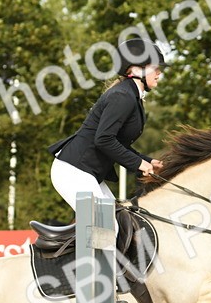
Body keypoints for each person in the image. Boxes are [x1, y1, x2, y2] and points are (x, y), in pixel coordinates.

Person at [46, 38, 166, 213]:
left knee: (119, 219)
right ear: (135, 69)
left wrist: (147, 161)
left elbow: (117, 143)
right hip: (73, 171)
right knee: (104, 227)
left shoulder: (131, 96)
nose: (159, 73)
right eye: (155, 67)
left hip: (87, 172)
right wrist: (138, 164)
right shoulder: (123, 96)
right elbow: (103, 139)